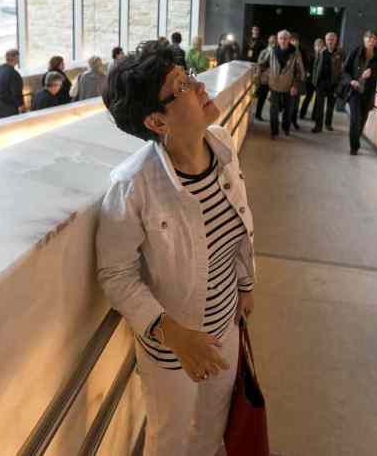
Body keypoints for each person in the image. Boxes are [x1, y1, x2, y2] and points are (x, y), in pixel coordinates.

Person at [97, 41, 256, 456]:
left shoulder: (222, 146)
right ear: (156, 120)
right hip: (172, 351)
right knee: (168, 441)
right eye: (181, 85)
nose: (199, 86)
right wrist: (175, 335)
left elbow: (239, 223)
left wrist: (246, 284)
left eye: (190, 77)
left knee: (210, 430)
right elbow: (115, 273)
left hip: (226, 329)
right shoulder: (133, 186)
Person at [343, 30, 377, 154]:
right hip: (354, 90)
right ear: (364, 39)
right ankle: (354, 146)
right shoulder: (355, 52)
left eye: (374, 38)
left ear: (376, 41)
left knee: (363, 118)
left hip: (368, 91)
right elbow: (345, 70)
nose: (371, 40)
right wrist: (351, 81)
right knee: (355, 118)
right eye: (369, 38)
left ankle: (356, 137)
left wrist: (372, 72)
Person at [258, 29, 304, 139]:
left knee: (288, 111)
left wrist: (295, 86)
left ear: (289, 40)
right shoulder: (272, 51)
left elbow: (300, 71)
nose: (283, 40)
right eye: (281, 38)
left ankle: (286, 128)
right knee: (273, 110)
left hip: (289, 86)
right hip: (274, 85)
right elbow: (263, 63)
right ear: (277, 40)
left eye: (285, 38)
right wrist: (259, 70)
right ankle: (274, 131)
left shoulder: (295, 53)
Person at [311, 32, 344, 133]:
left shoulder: (340, 52)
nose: (330, 41)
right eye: (328, 39)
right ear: (325, 41)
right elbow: (315, 66)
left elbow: (343, 67)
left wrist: (340, 82)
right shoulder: (321, 51)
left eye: (332, 39)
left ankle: (328, 124)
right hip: (321, 83)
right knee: (319, 105)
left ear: (336, 40)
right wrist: (314, 80)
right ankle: (318, 126)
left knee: (331, 106)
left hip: (333, 83)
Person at [0, 48, 25, 119]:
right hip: (7, 108)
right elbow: (17, 94)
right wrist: (22, 108)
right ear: (16, 58)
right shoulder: (14, 74)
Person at [298, 38, 325, 121]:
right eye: (317, 45)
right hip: (310, 80)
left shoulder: (324, 56)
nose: (319, 47)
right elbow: (308, 65)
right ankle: (302, 113)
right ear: (314, 46)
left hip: (319, 81)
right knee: (308, 97)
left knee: (317, 99)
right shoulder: (311, 54)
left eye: (320, 45)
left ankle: (314, 116)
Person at [253, 33, 276, 121]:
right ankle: (258, 114)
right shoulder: (264, 52)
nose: (273, 42)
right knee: (262, 97)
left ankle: (274, 117)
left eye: (275, 41)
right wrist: (269, 54)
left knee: (273, 99)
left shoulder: (278, 53)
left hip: (274, 79)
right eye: (272, 40)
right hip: (265, 79)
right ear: (269, 41)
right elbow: (260, 63)